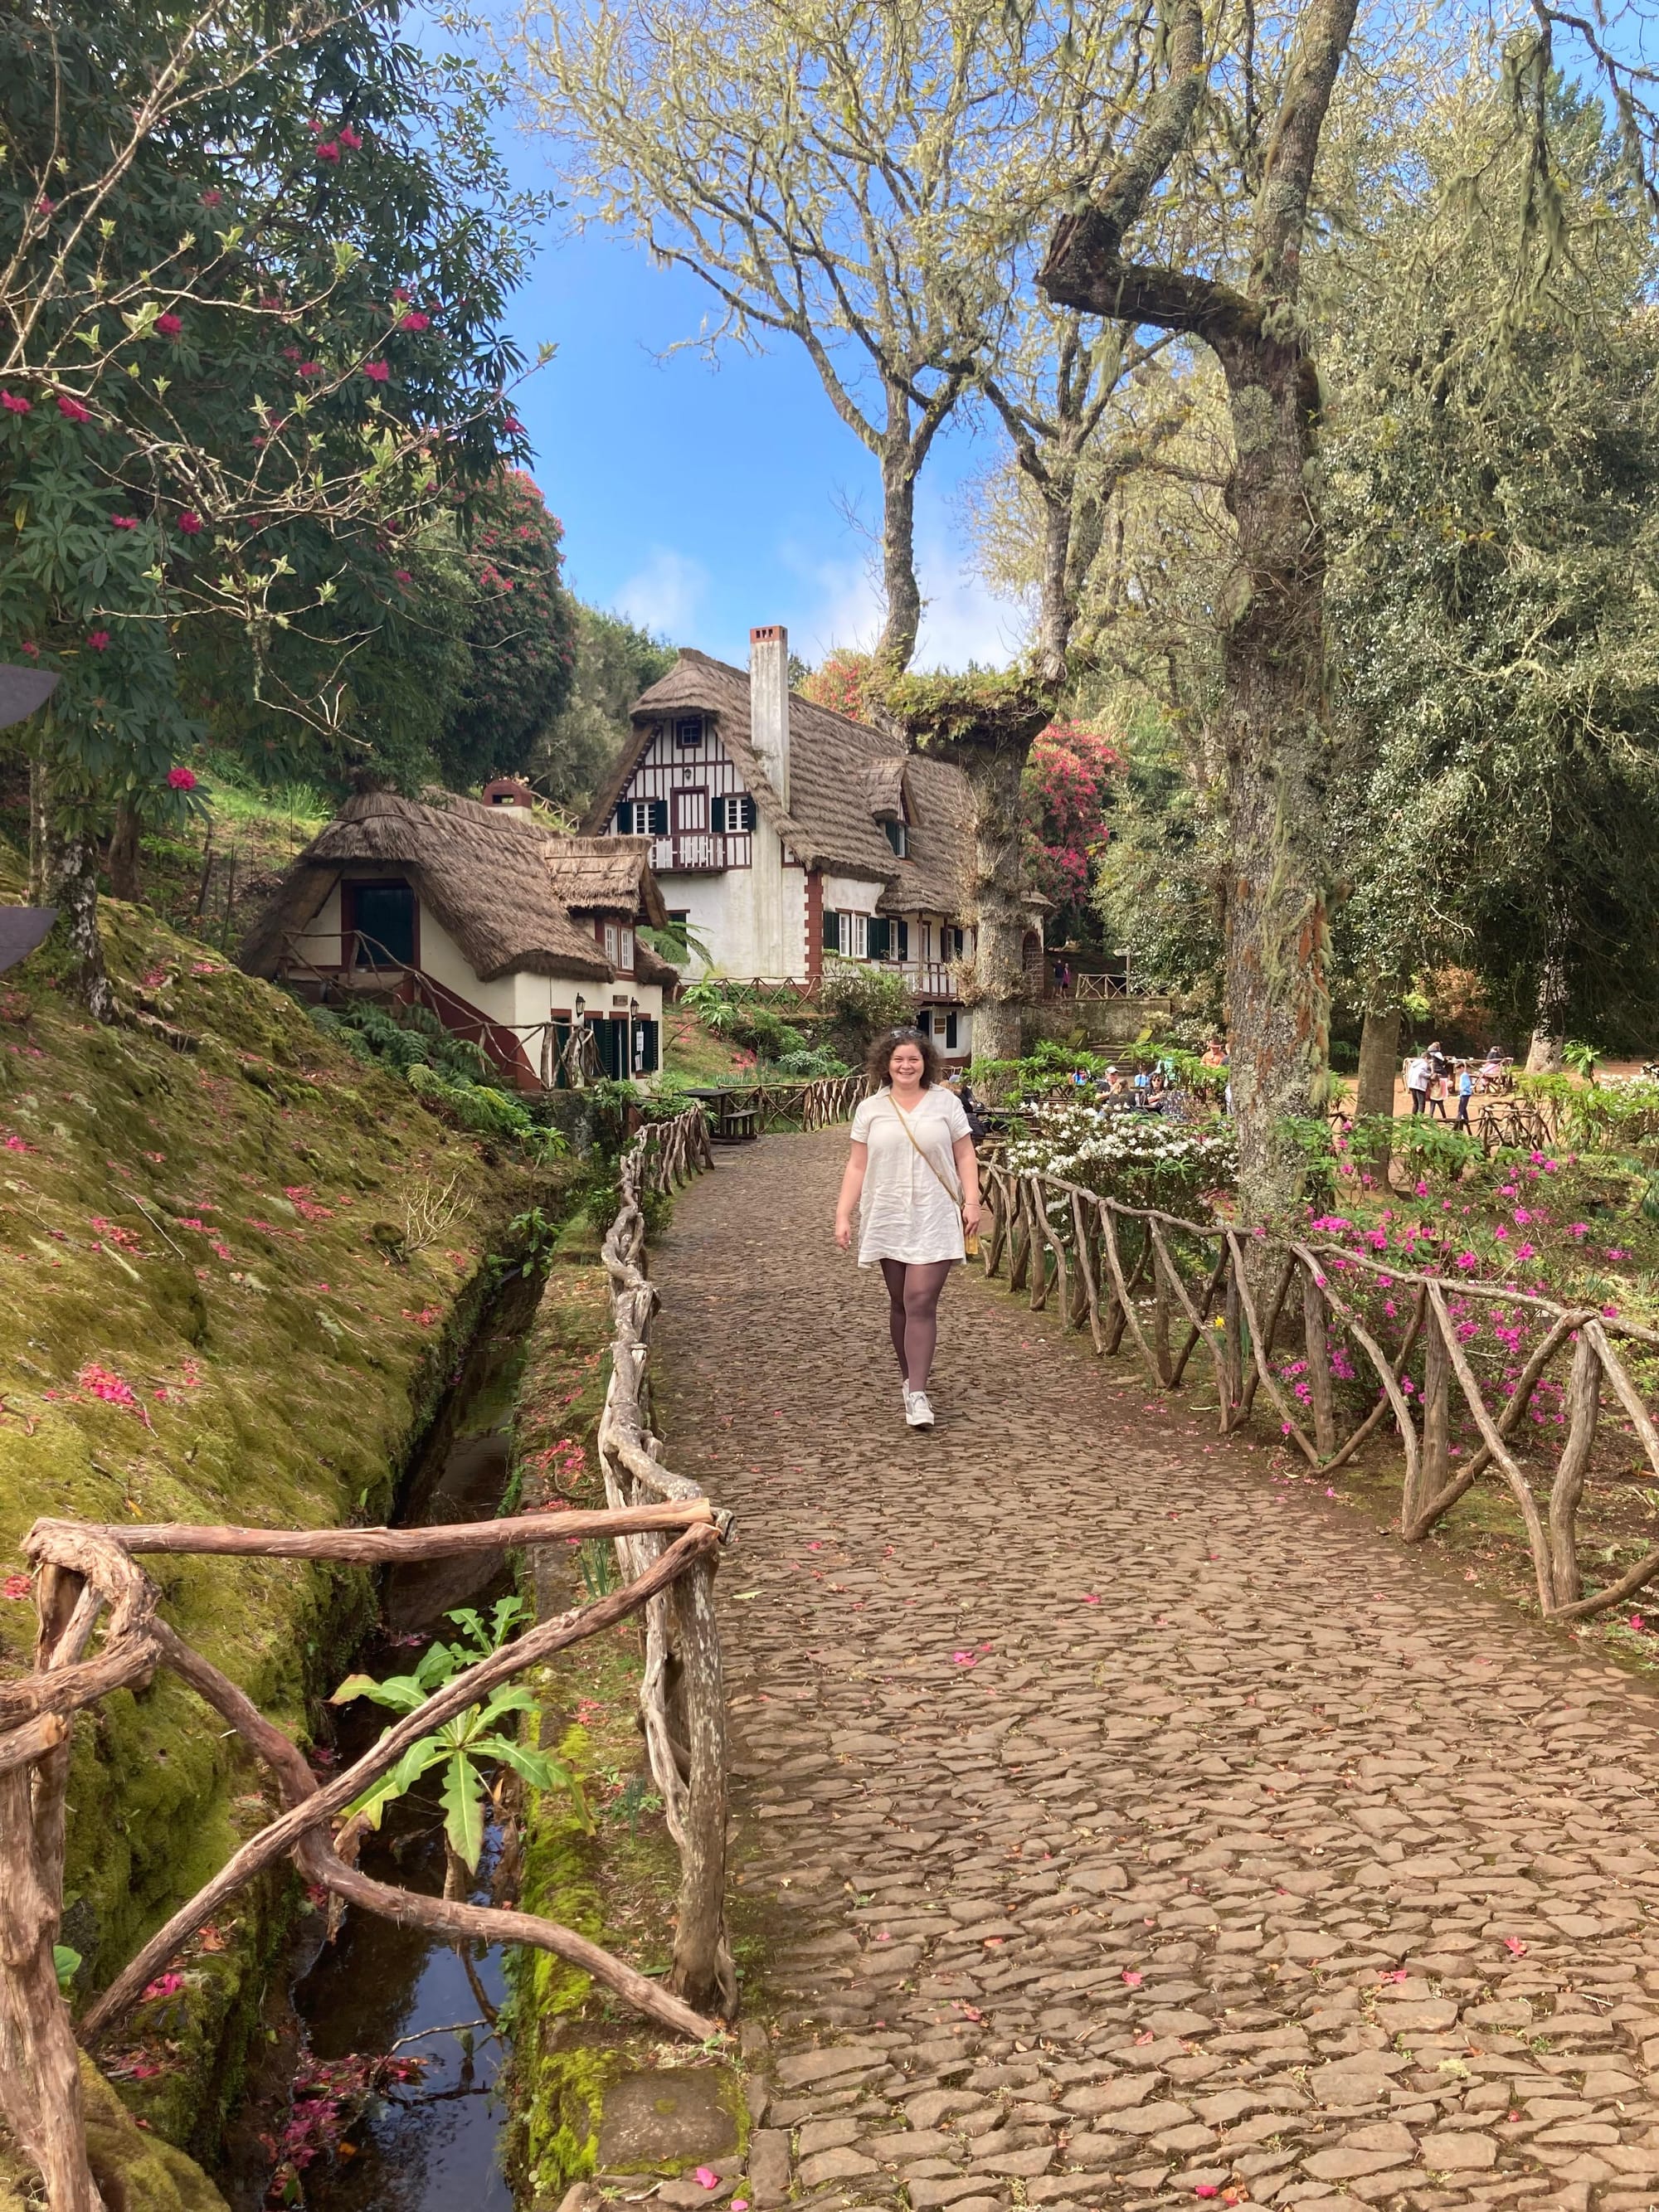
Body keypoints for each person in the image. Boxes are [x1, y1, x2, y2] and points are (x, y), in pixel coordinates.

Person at [834, 1028, 981, 1431]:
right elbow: (857, 1165)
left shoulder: (945, 1103)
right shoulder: (871, 1109)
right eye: (899, 1059)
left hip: (935, 1214)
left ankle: (918, 1394)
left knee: (919, 1300)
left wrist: (973, 1200)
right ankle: (908, 1379)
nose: (906, 1066)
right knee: (900, 1302)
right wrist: (844, 1214)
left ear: (925, 1063)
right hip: (888, 1214)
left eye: (913, 1059)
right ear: (885, 1064)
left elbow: (965, 1154)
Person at [1404, 1050, 1429, 1116]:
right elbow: (1421, 1072)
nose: (1428, 1062)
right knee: (1421, 1103)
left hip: (1412, 1084)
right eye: (1428, 1060)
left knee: (1415, 1103)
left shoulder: (1415, 1063)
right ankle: (1420, 1119)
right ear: (1426, 1058)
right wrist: (1429, 1075)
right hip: (1419, 1085)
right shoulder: (1424, 1063)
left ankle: (1413, 1119)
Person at [1455, 1062, 1474, 1130]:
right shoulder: (1463, 1075)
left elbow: (1468, 1083)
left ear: (1462, 1068)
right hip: (1463, 1093)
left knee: (1461, 1107)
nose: (1458, 1071)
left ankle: (1458, 1119)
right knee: (1463, 1107)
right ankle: (1466, 1120)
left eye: (1458, 1069)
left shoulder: (1464, 1075)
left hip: (1465, 1093)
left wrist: (1463, 1089)